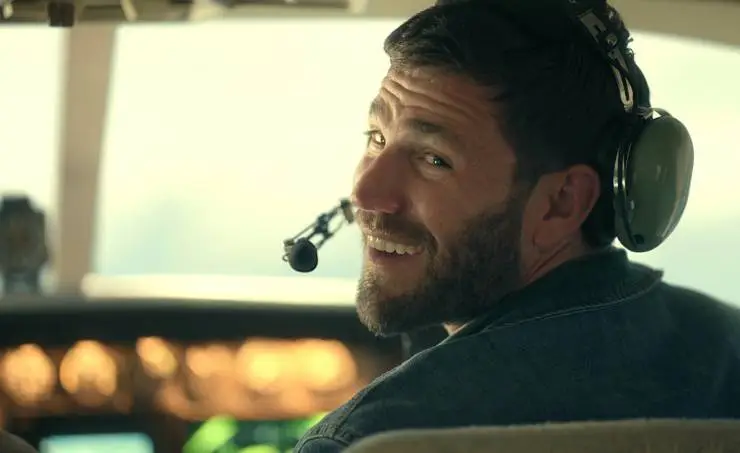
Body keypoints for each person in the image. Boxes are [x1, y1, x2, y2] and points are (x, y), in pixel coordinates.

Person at [295, 0, 740, 451]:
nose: (365, 193)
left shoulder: (369, 438)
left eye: (434, 160)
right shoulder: (728, 347)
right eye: (377, 138)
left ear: (560, 204)